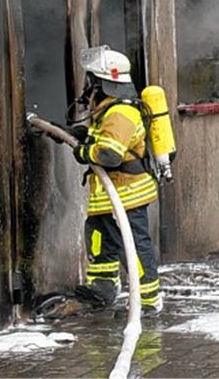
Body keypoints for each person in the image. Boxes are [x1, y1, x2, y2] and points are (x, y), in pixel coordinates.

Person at [62, 46, 163, 316]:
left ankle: (148, 300)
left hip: (127, 193)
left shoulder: (121, 113)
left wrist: (83, 151)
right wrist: (75, 133)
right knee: (98, 236)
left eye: (92, 82)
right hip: (110, 196)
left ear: (102, 83)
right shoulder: (109, 110)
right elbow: (102, 136)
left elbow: (108, 154)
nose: (88, 88)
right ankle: (103, 287)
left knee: (135, 246)